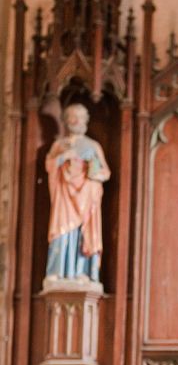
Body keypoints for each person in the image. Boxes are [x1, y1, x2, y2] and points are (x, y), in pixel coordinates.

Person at [45, 102, 109, 283]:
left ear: (86, 121)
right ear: (66, 121)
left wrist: (95, 174)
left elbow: (106, 172)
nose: (76, 121)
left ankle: (83, 271)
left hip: (86, 196)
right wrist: (63, 157)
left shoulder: (93, 145)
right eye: (73, 117)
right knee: (61, 231)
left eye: (80, 117)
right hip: (64, 195)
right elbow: (49, 165)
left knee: (84, 232)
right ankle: (57, 271)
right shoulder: (60, 145)